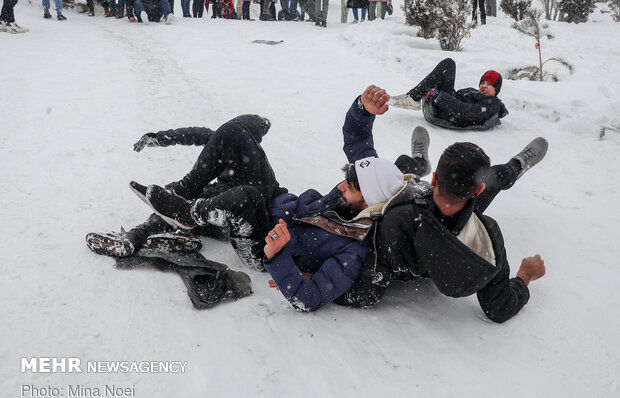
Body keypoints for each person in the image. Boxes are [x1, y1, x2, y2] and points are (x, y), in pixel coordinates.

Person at [87, 87, 427, 312]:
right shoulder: (371, 184)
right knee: (235, 133)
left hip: (263, 244)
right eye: (345, 179)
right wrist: (362, 109)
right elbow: (358, 141)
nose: (340, 187)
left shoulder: (354, 250)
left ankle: (190, 214)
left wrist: (277, 257)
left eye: (351, 189)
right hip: (277, 201)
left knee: (245, 197)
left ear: (368, 204)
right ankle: (187, 193)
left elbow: (309, 299)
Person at [336, 129, 549, 323]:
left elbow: (366, 291)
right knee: (496, 177)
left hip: (419, 213)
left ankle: (418, 162)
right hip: (455, 214)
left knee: (400, 173)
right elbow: (500, 308)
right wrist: (525, 276)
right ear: (478, 191)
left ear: (434, 179)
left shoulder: (395, 221)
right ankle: (515, 166)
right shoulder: (488, 234)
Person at [390, 58, 508, 129]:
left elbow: (464, 111)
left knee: (449, 64)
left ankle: (414, 98)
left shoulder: (491, 104)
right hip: (446, 106)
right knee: (447, 66)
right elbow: (458, 97)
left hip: (449, 113)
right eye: (483, 82)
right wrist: (443, 93)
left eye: (489, 84)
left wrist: (439, 95)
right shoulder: (475, 92)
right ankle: (412, 97)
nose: (484, 86)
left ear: (496, 89)